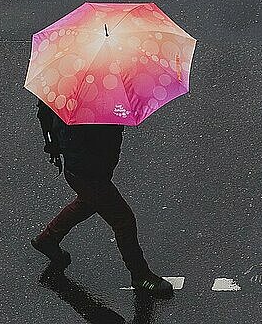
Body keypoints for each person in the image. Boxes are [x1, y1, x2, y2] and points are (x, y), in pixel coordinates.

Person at [31, 98, 173, 298]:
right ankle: (140, 275)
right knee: (123, 220)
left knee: (86, 203)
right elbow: (81, 146)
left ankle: (48, 239)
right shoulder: (79, 108)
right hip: (88, 174)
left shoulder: (89, 96)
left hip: (92, 171)